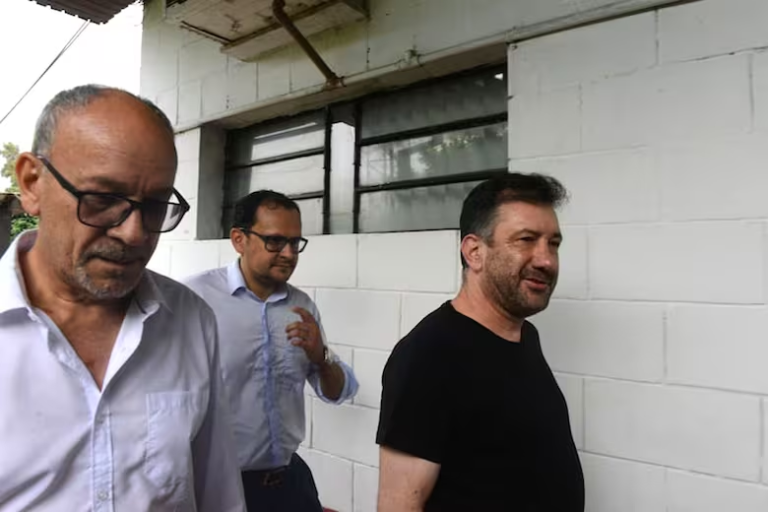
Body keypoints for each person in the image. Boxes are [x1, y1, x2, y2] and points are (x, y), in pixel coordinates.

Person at [0, 85, 246, 511]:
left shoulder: (190, 320)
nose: (133, 233)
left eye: (155, 205)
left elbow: (218, 493)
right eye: (102, 199)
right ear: (32, 183)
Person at [376, 174, 584, 512]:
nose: (546, 260)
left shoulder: (525, 336)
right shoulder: (428, 355)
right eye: (526, 240)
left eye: (553, 243)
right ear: (475, 252)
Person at [184, 190, 359, 512]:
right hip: (220, 487)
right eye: (275, 241)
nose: (289, 253)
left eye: (295, 242)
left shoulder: (301, 306)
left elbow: (338, 393)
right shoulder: (194, 299)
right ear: (239, 239)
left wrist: (321, 357)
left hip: (290, 484)